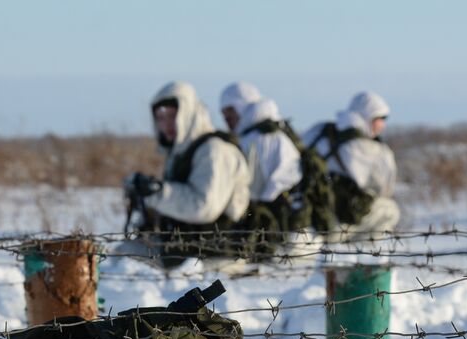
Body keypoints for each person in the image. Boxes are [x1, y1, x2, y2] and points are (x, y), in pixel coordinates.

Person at [123, 80, 250, 267]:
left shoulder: (214, 151)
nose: (166, 124)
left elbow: (204, 207)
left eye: (172, 115)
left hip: (218, 261)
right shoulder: (181, 153)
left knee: (126, 260)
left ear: (188, 113)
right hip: (186, 254)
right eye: (160, 118)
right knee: (124, 255)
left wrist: (157, 192)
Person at [308, 90, 400, 241]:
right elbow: (385, 189)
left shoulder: (319, 131)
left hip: (308, 222)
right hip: (336, 225)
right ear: (369, 116)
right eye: (381, 118)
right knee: (390, 209)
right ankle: (367, 254)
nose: (383, 125)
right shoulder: (371, 148)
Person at [235, 98, 314, 257]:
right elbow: (290, 175)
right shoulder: (283, 140)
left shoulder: (246, 141)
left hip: (253, 216)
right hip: (288, 217)